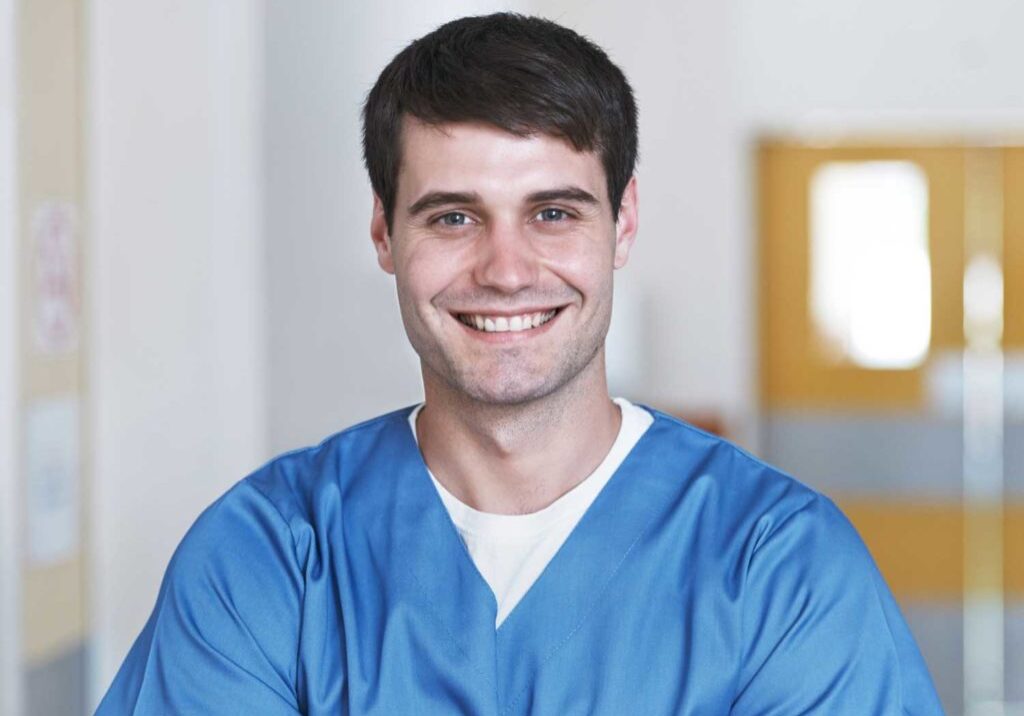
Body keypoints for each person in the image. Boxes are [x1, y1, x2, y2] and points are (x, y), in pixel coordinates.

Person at [97, 13, 944, 715]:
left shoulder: (780, 570)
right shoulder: (271, 562)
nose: (506, 270)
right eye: (453, 219)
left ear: (623, 223)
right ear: (385, 234)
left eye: (552, 212)